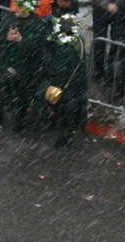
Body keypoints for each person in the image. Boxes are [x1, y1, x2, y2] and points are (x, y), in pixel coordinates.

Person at [0, 0, 50, 130]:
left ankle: (19, 116)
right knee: (2, 86)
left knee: (22, 91)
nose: (15, 8)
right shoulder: (9, 18)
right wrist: (7, 38)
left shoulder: (37, 24)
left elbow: (37, 46)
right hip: (6, 61)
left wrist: (21, 41)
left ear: (26, 8)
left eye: (19, 6)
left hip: (25, 65)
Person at [36, 16, 89, 146]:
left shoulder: (65, 49)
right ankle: (67, 130)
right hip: (75, 85)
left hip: (65, 85)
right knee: (70, 108)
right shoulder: (78, 43)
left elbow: (54, 67)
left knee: (65, 107)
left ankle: (66, 132)